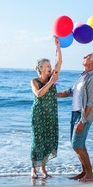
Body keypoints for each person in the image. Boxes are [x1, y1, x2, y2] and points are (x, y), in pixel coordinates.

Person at [57, 53, 93, 182]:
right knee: (76, 144)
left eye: (88, 56)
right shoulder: (83, 75)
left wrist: (83, 120)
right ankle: (84, 172)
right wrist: (52, 94)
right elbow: (71, 92)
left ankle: (90, 175)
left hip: (83, 116)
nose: (84, 56)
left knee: (78, 145)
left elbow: (91, 102)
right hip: (75, 113)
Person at [30, 36, 62, 179]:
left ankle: (43, 169)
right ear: (41, 68)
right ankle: (33, 169)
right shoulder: (34, 81)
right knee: (37, 140)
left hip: (51, 114)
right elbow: (39, 94)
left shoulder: (52, 77)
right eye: (48, 66)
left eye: (50, 66)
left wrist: (58, 47)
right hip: (38, 114)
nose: (51, 68)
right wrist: (51, 83)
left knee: (48, 140)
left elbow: (59, 62)